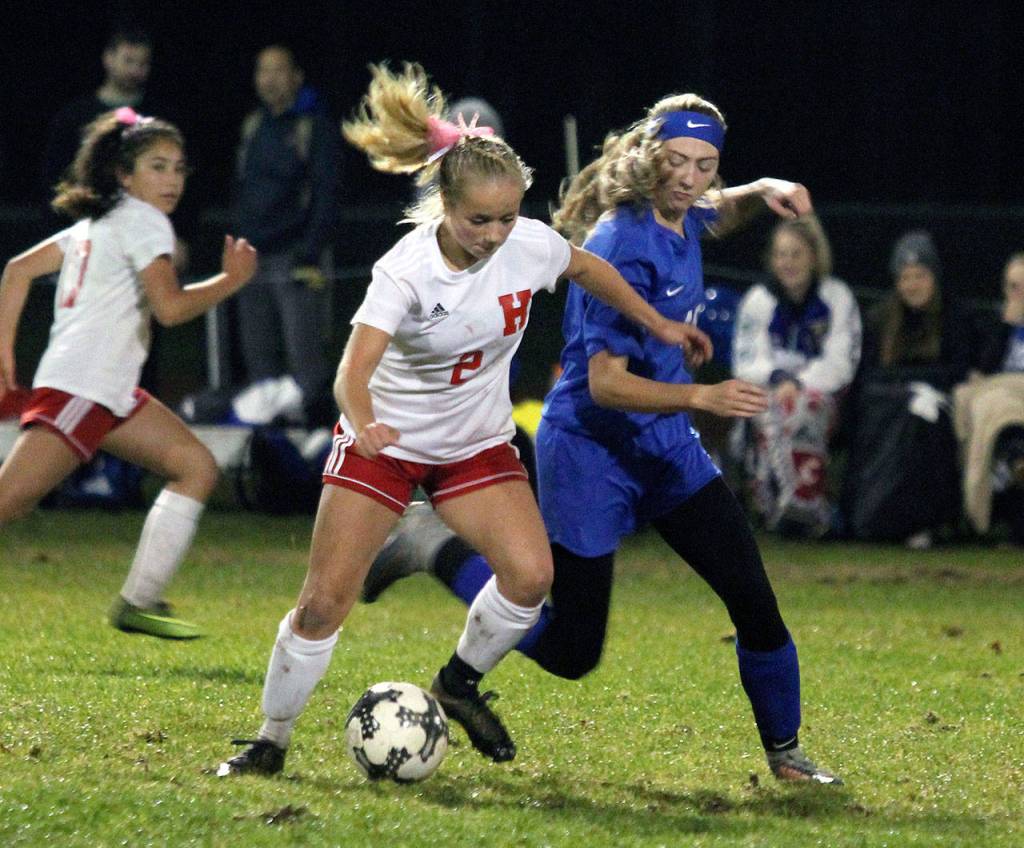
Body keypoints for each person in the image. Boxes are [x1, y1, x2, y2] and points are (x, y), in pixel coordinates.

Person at [216, 63, 707, 777]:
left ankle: (457, 685)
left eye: (507, 217)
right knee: (323, 604)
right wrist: (365, 422)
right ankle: (270, 738)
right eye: (479, 219)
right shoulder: (406, 271)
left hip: (475, 446)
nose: (494, 233)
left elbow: (585, 268)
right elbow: (352, 371)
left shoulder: (527, 244)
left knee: (532, 577)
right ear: (444, 203)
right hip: (386, 445)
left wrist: (656, 322)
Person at [361, 93, 843, 784]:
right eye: (676, 161)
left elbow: (715, 210)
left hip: (666, 452)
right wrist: (700, 396)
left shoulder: (687, 210)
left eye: (705, 165)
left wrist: (762, 191)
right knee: (572, 651)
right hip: (590, 452)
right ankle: (430, 547)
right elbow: (606, 383)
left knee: (753, 599)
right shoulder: (619, 239)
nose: (690, 177)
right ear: (650, 155)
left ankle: (787, 755)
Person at [0, 108, 257, 639]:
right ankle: (138, 601)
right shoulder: (142, 221)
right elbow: (170, 308)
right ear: (124, 175)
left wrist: (5, 350)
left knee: (195, 466)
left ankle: (138, 602)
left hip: (107, 389)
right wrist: (232, 280)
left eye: (179, 168)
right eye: (157, 166)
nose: (172, 180)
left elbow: (16, 270)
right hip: (83, 385)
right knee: (10, 501)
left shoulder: (98, 223)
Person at [230, 45, 340, 425]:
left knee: (305, 361)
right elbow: (241, 190)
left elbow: (328, 195)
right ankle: (269, 453)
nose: (270, 79)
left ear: (297, 76)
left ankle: (315, 448)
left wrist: (309, 251)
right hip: (253, 260)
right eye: (263, 71)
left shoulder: (315, 127)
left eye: (279, 70)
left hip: (296, 260)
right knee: (259, 360)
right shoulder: (252, 127)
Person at [841, 230, 971, 547]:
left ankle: (922, 522)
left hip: (937, 408)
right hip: (887, 409)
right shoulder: (879, 319)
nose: (913, 284)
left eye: (920, 275)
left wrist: (923, 388)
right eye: (906, 276)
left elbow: (960, 369)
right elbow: (866, 376)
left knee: (922, 424)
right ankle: (875, 517)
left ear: (934, 276)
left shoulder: (955, 317)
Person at [733, 215, 861, 537]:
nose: (787, 262)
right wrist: (778, 379)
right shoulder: (758, 300)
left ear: (814, 256)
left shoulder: (837, 297)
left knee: (804, 408)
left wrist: (799, 385)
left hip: (822, 393)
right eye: (780, 254)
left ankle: (800, 506)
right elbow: (747, 360)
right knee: (771, 410)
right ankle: (781, 508)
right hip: (768, 390)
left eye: (796, 253)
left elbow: (842, 361)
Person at [953, 252, 1024, 544]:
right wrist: (1007, 325)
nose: (1020, 294)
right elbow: (982, 370)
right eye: (1013, 287)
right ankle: (977, 510)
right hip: (1000, 401)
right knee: (977, 403)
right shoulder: (996, 324)